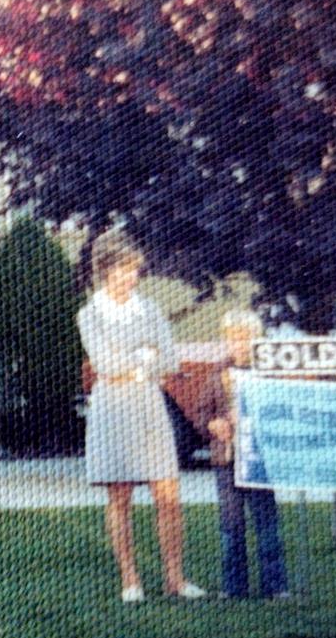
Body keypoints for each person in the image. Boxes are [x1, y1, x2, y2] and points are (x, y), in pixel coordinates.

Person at [76, 231, 203, 603]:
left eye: (133, 270)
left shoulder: (149, 309)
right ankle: (130, 580)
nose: (130, 277)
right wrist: (144, 357)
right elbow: (104, 364)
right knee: (120, 497)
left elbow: (169, 360)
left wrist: (136, 363)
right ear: (105, 271)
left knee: (168, 495)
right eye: (122, 270)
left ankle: (175, 579)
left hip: (149, 406)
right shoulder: (90, 314)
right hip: (112, 410)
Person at [191, 309, 290, 600]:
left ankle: (275, 585)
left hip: (259, 460)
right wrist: (213, 424)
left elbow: (281, 410)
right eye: (234, 338)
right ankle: (234, 587)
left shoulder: (268, 371)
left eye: (246, 338)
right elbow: (200, 413)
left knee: (266, 523)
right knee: (231, 524)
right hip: (227, 460)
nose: (240, 344)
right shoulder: (217, 372)